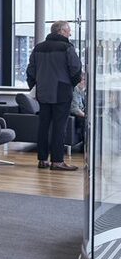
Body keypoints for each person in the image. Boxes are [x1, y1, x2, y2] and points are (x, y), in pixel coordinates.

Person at [26, 20, 82, 171]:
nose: (70, 33)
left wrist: (35, 86)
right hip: (61, 92)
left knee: (43, 126)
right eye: (68, 31)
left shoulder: (38, 47)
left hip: (43, 92)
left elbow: (30, 71)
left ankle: (42, 160)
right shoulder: (67, 47)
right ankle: (57, 161)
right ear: (61, 31)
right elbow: (76, 69)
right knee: (59, 127)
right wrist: (71, 85)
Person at [71, 72, 87, 148]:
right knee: (85, 121)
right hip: (74, 115)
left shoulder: (81, 91)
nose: (84, 82)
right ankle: (85, 146)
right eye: (83, 80)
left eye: (85, 80)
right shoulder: (75, 90)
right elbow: (75, 109)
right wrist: (86, 116)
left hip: (79, 113)